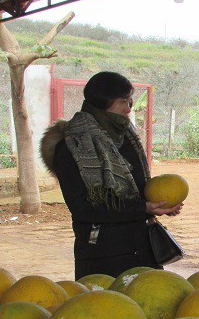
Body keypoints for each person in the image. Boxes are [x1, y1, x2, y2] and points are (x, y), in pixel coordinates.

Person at [41, 71, 182, 279]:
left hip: (142, 252)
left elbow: (139, 189)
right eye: (122, 101)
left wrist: (159, 204)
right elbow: (83, 208)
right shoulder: (73, 147)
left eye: (130, 101)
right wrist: (142, 208)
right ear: (103, 101)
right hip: (103, 255)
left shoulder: (127, 138)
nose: (128, 109)